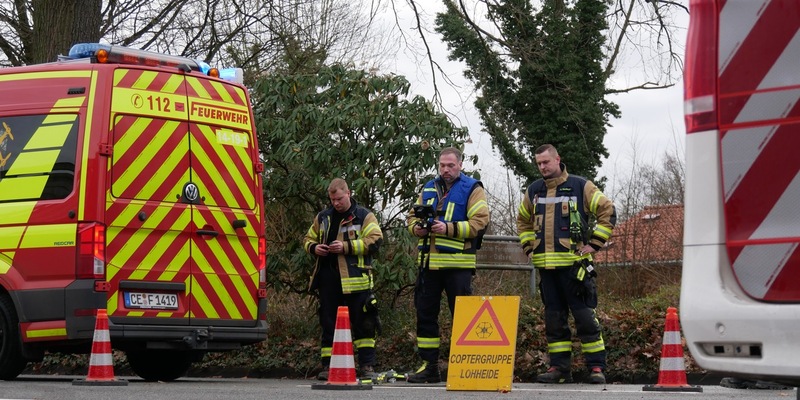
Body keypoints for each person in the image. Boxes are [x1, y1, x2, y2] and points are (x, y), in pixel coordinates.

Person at [516, 144, 616, 385]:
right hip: (546, 270)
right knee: (554, 321)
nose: (542, 167)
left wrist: (595, 243)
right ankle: (560, 369)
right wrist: (529, 247)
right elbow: (522, 220)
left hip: (575, 269)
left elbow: (608, 210)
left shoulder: (581, 185)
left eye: (546, 162)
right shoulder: (534, 190)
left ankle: (596, 367)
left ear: (557, 159)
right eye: (538, 163)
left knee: (585, 319)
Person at [405, 147, 490, 383]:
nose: (445, 169)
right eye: (442, 165)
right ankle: (429, 367)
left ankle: (467, 366)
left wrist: (448, 228)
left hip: (458, 266)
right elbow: (411, 218)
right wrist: (417, 229)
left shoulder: (472, 188)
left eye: (450, 165)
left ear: (460, 165)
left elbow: (480, 223)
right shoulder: (429, 187)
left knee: (463, 318)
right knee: (425, 316)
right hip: (429, 265)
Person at [304, 178, 384, 382]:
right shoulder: (323, 217)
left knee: (363, 323)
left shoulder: (363, 216)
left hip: (356, 279)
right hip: (329, 279)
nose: (336, 203)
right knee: (328, 322)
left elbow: (375, 240)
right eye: (332, 200)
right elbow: (308, 239)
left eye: (339, 198)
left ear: (348, 193)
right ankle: (327, 367)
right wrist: (315, 248)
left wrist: (346, 247)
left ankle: (367, 365)